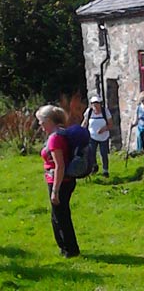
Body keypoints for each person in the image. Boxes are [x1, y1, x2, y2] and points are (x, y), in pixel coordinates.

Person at [36, 105, 80, 258]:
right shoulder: (60, 134)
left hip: (60, 181)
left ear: (49, 121)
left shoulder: (55, 138)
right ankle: (66, 248)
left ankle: (70, 250)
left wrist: (55, 190)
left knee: (60, 216)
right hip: (63, 180)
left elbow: (60, 165)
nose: (40, 125)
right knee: (59, 215)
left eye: (41, 121)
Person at [81, 95, 113, 177]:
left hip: (104, 137)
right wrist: (80, 131)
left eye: (97, 103)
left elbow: (110, 125)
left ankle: (105, 170)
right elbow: (85, 123)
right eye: (93, 103)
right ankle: (94, 166)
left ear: (100, 104)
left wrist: (103, 129)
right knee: (91, 153)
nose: (95, 105)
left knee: (103, 153)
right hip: (92, 136)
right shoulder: (89, 112)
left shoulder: (105, 112)